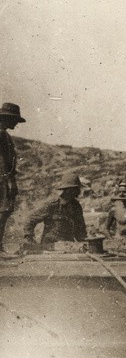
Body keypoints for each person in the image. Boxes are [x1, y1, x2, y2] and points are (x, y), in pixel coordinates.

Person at [23, 175, 87, 246]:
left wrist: (83, 242)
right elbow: (30, 219)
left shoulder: (76, 206)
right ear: (69, 190)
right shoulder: (52, 205)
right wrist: (29, 237)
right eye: (76, 189)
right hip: (50, 246)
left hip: (68, 246)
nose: (79, 191)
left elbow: (81, 229)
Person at [0, 103, 23, 257]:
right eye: (14, 119)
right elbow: (1, 159)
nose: (16, 123)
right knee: (3, 211)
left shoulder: (4, 134)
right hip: (2, 180)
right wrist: (9, 180)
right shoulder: (1, 134)